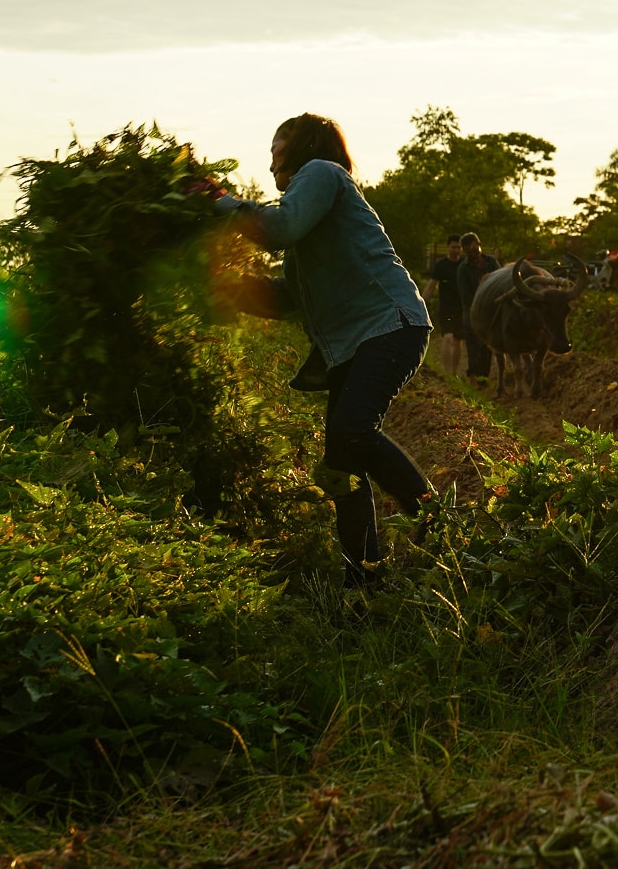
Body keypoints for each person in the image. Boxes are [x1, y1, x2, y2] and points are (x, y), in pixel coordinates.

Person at [214, 113, 435, 590]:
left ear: (304, 146)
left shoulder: (321, 173)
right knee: (341, 461)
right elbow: (289, 299)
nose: (271, 157)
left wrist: (220, 203)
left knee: (352, 431)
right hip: (354, 344)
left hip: (388, 325)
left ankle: (434, 517)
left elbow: (277, 228)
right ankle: (363, 579)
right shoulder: (307, 229)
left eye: (278, 145)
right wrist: (229, 288)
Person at [454, 232, 501, 386]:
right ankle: (474, 378)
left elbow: (500, 282)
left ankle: (484, 380)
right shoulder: (463, 269)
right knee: (474, 347)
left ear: (479, 245)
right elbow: (465, 297)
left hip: (492, 311)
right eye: (469, 249)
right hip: (473, 313)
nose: (473, 251)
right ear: (465, 251)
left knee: (487, 348)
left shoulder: (492, 262)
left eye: (475, 247)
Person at [424, 234, 465, 377]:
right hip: (446, 307)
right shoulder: (441, 265)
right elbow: (431, 286)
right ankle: (447, 373)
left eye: (458, 247)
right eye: (453, 247)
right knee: (447, 337)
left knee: (458, 341)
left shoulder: (464, 264)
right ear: (448, 247)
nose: (456, 250)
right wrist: (422, 302)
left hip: (461, 307)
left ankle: (454, 373)